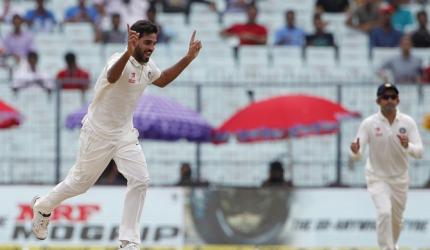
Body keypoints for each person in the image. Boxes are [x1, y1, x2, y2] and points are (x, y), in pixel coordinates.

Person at [30, 20, 202, 250]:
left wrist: (188, 58)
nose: (151, 47)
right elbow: (112, 76)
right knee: (79, 184)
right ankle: (43, 206)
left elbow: (162, 80)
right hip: (97, 133)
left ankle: (129, 241)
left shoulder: (147, 67)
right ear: (135, 40)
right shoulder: (118, 59)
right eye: (147, 42)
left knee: (141, 179)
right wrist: (127, 53)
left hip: (124, 134)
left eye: (154, 43)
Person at [349, 83, 423, 250]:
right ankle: (386, 248)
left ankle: (392, 245)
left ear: (398, 100)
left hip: (400, 179)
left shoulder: (408, 122)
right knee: (384, 213)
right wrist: (355, 151)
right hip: (377, 177)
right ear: (378, 101)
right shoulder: (369, 123)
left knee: (397, 220)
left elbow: (419, 152)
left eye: (393, 97)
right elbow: (357, 152)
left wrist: (408, 146)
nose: (389, 100)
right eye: (385, 97)